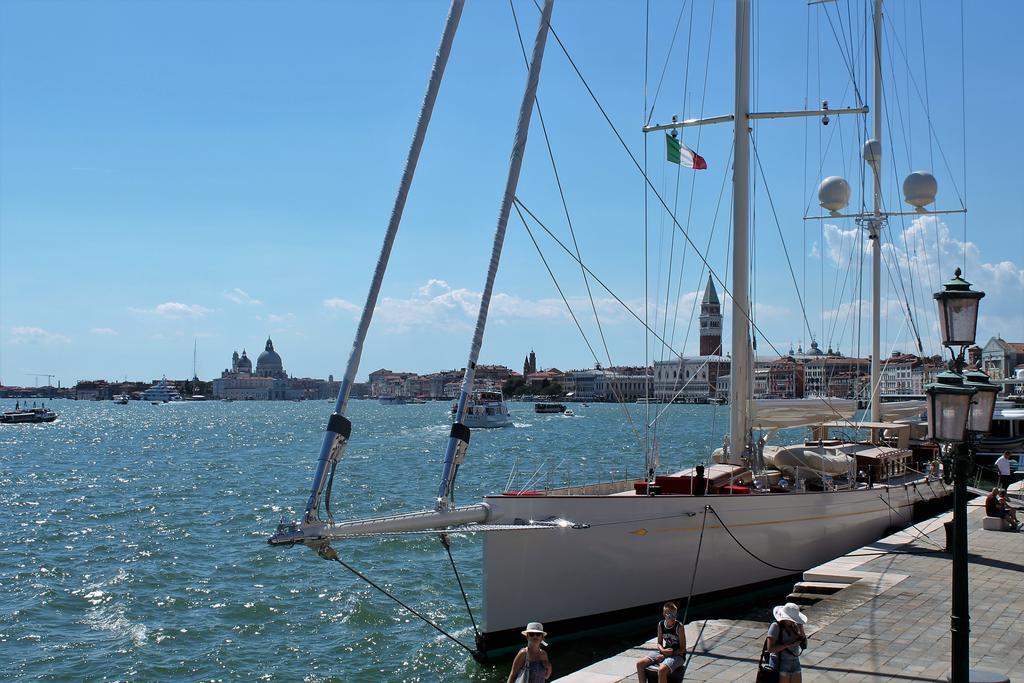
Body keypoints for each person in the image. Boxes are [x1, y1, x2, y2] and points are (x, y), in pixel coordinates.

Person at [635, 602, 686, 683]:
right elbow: (659, 643)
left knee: (661, 670)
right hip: (665, 651)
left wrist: (664, 656)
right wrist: (662, 651)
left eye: (675, 615)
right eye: (670, 615)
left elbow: (682, 649)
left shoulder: (679, 627)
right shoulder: (661, 625)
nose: (673, 618)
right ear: (664, 615)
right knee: (639, 664)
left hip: (678, 655)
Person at [766, 602, 808, 683]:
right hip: (780, 662)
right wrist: (789, 644)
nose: (794, 621)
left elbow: (804, 645)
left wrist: (801, 629)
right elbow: (770, 648)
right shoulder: (775, 626)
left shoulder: (794, 627)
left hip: (795, 661)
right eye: (791, 619)